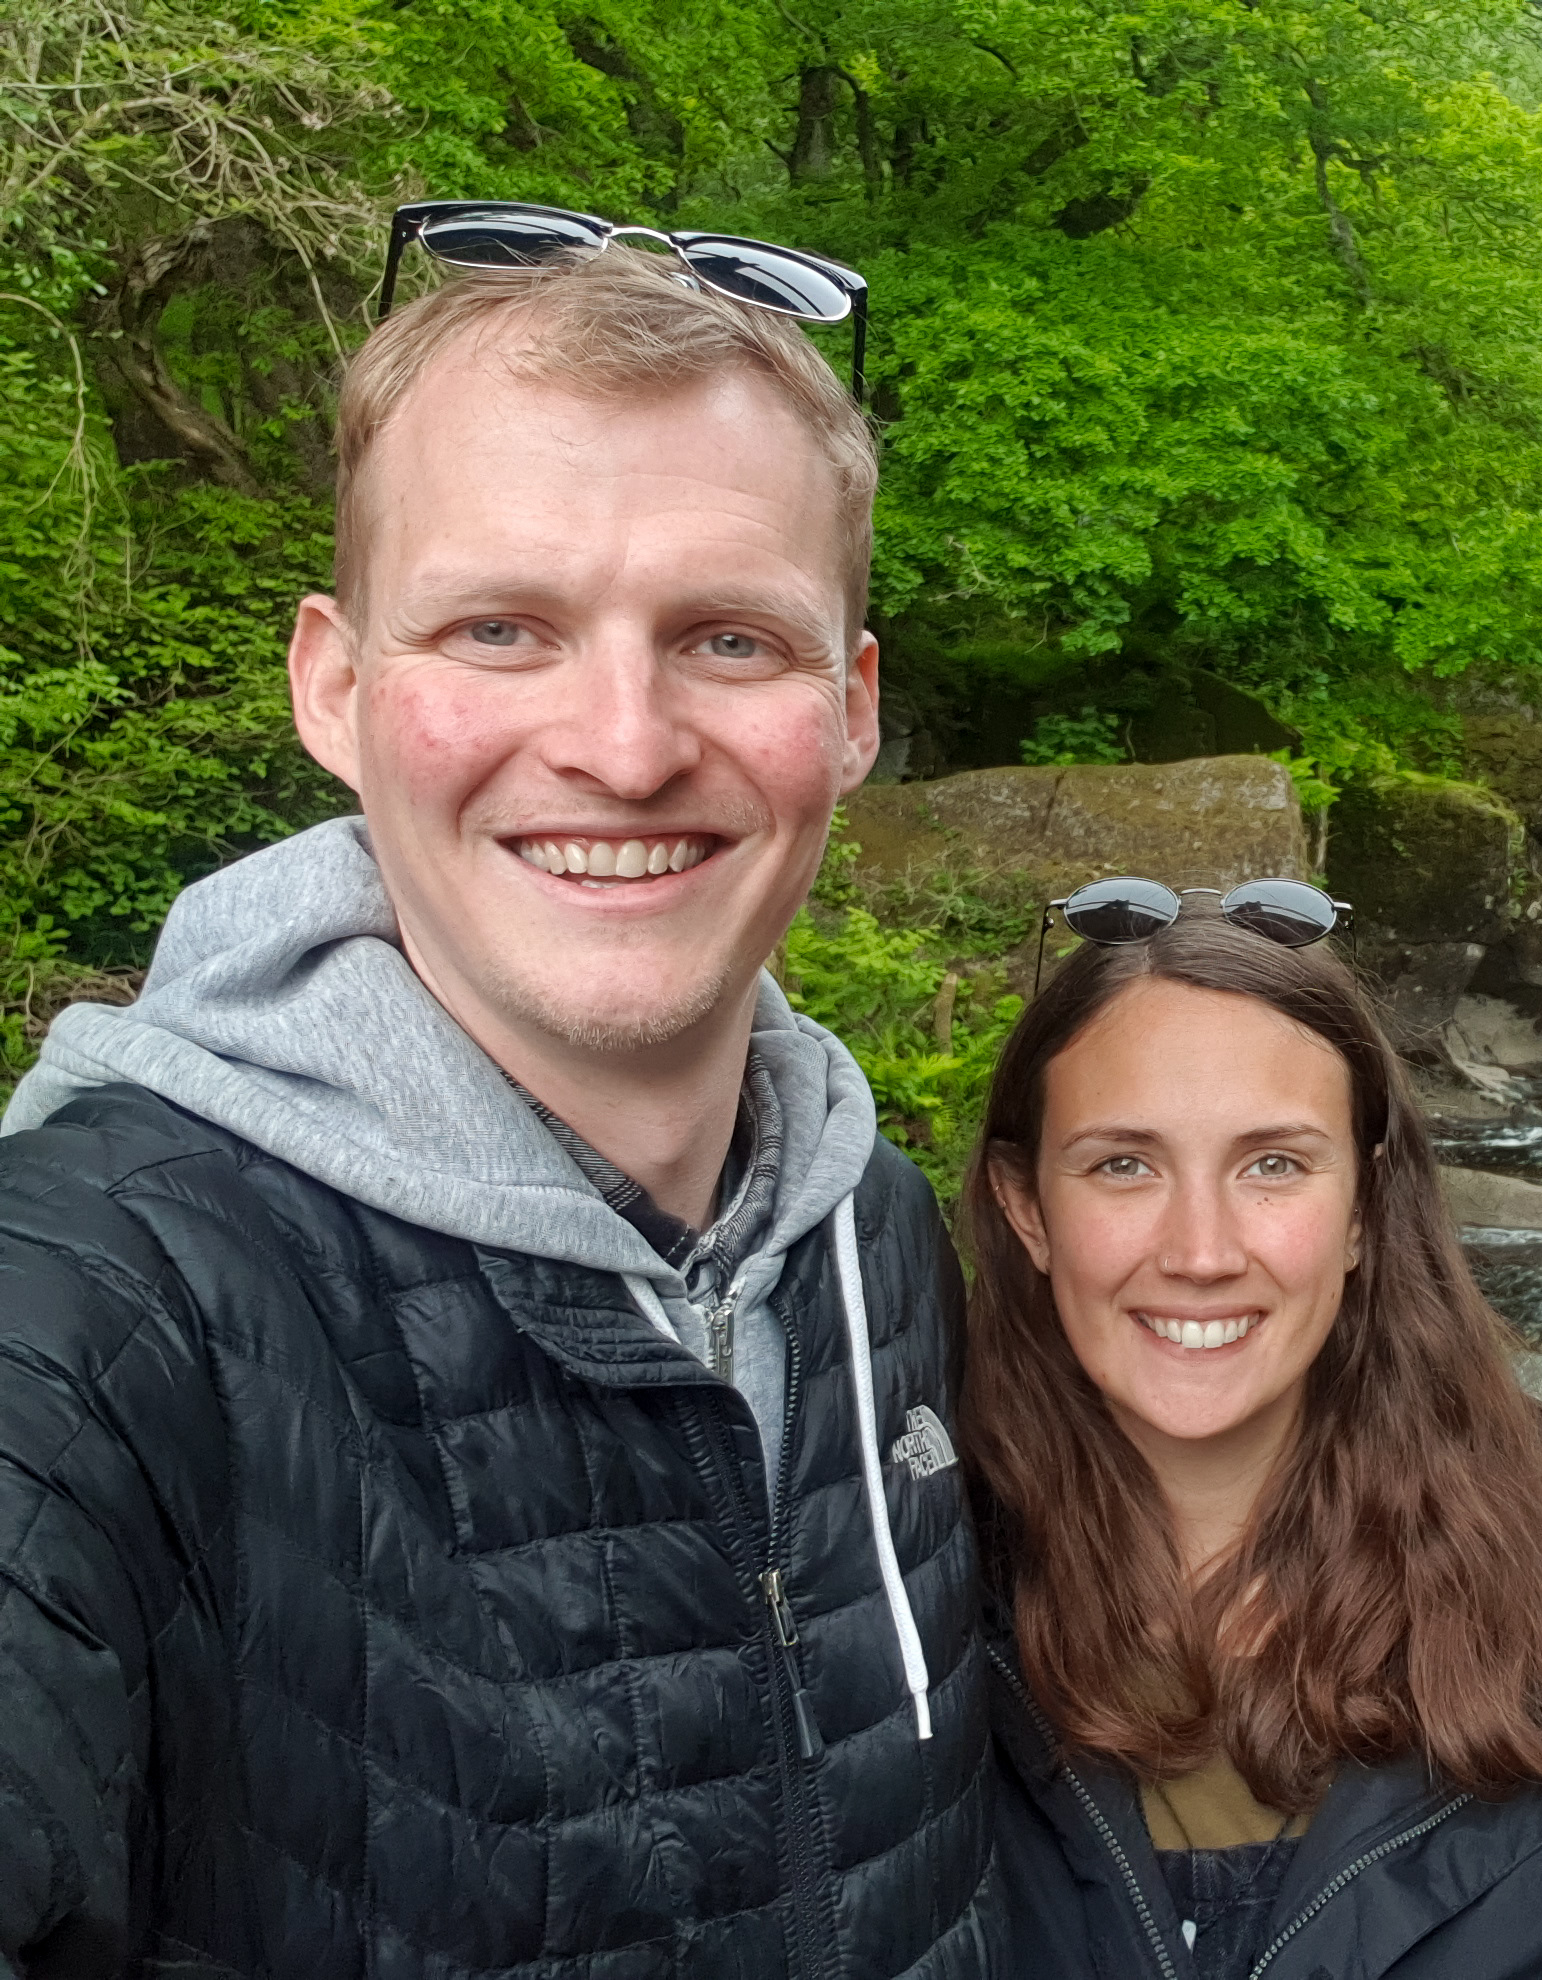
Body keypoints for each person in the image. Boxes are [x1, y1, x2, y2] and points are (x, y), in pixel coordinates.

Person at [0, 234, 997, 1975]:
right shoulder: (82, 1319)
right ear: (335, 688)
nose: (624, 744)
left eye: (729, 638)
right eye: (500, 628)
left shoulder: (878, 1237)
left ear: (849, 712)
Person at [962, 889, 1542, 1980]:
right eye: (1123, 1165)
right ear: (1026, 1209)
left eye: (1274, 1165)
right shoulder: (895, 1608)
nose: (1201, 1252)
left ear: (1364, 1211)